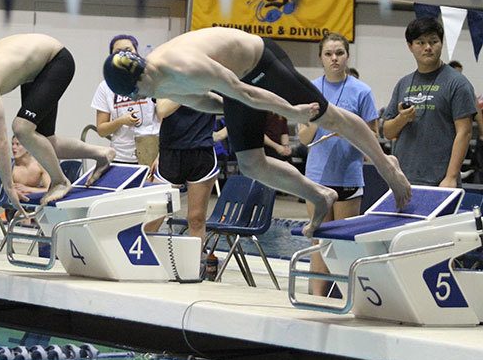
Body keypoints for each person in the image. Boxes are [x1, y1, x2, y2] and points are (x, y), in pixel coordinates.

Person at [103, 27, 411, 237]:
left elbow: (245, 92)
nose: (141, 94)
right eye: (137, 93)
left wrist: (291, 112)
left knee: (327, 117)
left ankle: (387, 165)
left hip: (261, 62)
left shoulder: (183, 65)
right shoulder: (155, 82)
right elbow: (206, 101)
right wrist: (234, 115)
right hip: (238, 84)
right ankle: (319, 195)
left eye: (140, 88)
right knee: (251, 164)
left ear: (142, 71)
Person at [0, 34, 115, 212]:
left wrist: (9, 187)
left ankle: (60, 181)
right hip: (35, 69)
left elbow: (0, 141)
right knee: (44, 143)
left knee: (21, 128)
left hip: (56, 60)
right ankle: (101, 154)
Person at [299, 32, 379, 296]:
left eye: (339, 53)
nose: (334, 58)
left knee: (344, 247)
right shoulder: (309, 90)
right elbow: (304, 138)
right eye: (328, 54)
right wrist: (318, 120)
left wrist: (348, 133)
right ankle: (316, 301)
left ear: (347, 56)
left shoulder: (362, 91)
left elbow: (372, 139)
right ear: (321, 58)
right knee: (319, 244)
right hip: (316, 179)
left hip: (348, 178)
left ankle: (350, 302)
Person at [383, 18, 477, 187]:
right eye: (420, 42)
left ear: (441, 43)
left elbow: (464, 132)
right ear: (410, 46)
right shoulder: (403, 83)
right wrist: (402, 119)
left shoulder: (457, 83)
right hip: (403, 180)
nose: (428, 47)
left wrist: (451, 177)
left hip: (440, 181)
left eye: (434, 41)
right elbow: (388, 132)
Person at [152, 100, 218, 244]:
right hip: (170, 152)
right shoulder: (167, 84)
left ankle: (196, 258)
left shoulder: (209, 83)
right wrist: (189, 89)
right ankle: (146, 257)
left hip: (201, 150)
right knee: (154, 217)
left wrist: (219, 135)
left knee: (196, 219)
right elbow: (162, 110)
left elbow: (231, 106)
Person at [91, 34, 160, 164]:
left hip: (152, 152)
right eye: (118, 52)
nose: (124, 56)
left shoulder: (151, 79)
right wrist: (121, 121)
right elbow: (101, 130)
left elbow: (165, 117)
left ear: (137, 53)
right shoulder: (105, 87)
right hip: (121, 156)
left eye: (129, 50)